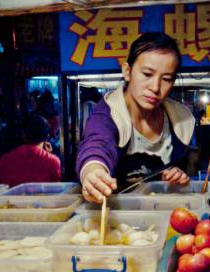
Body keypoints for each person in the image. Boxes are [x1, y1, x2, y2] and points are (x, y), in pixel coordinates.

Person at [75, 32, 195, 203]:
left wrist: (177, 177)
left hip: (160, 217)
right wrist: (93, 172)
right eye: (147, 74)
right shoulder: (107, 115)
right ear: (127, 71)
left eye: (166, 79)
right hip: (114, 217)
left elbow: (182, 176)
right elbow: (96, 144)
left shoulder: (180, 121)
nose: (155, 87)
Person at [0, 112, 61, 187]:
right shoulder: (52, 161)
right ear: (46, 137)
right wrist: (49, 155)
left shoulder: (6, 158)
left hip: (11, 200)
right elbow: (58, 187)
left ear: (23, 135)